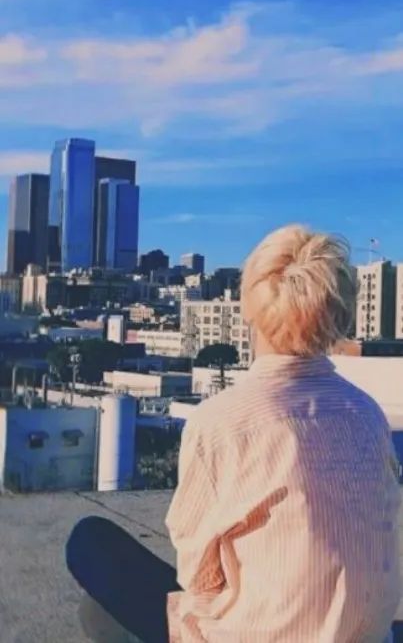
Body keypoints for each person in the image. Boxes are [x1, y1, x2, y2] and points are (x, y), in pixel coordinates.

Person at [67, 224, 401, 643]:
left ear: (250, 309)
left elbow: (199, 577)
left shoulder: (221, 422)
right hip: (371, 635)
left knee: (88, 546)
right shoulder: (368, 413)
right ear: (340, 317)